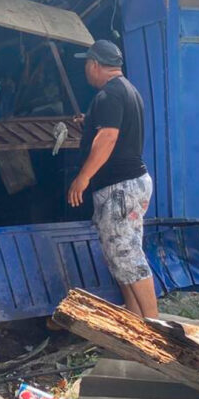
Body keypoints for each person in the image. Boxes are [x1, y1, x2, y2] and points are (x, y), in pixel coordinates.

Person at [66, 40, 157, 319]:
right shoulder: (127, 92)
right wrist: (89, 121)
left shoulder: (109, 96)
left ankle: (155, 326)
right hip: (132, 184)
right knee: (121, 254)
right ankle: (134, 317)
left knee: (127, 254)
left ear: (94, 65)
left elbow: (108, 137)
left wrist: (83, 177)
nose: (85, 70)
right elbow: (111, 129)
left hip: (120, 187)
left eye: (86, 65)